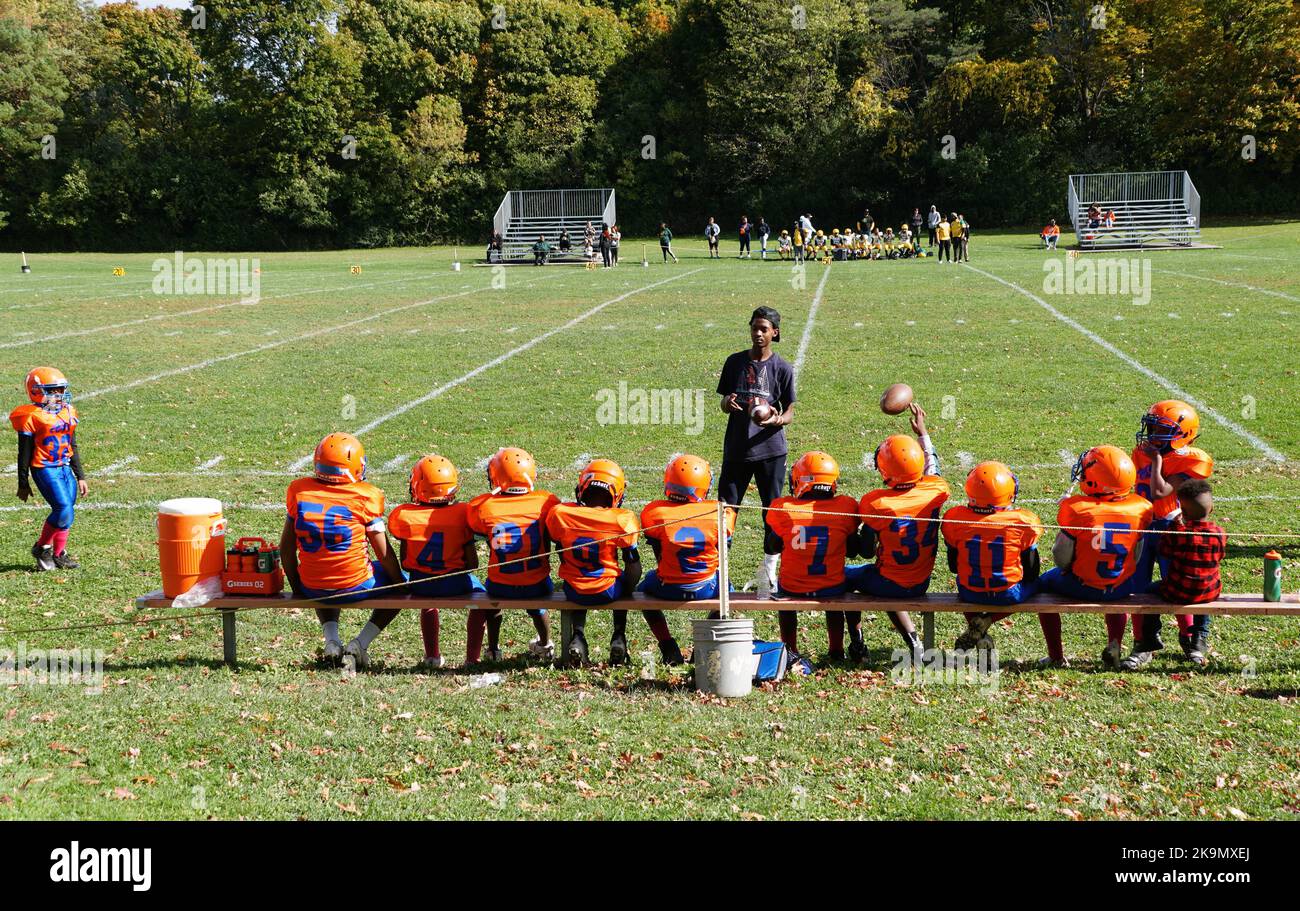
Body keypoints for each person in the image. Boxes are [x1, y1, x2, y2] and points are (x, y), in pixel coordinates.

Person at [548, 459, 685, 666]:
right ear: (617, 493)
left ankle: (578, 635)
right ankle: (619, 635)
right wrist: (628, 589)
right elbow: (633, 566)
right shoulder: (621, 519)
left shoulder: (561, 514)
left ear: (583, 487)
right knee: (621, 579)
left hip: (573, 590)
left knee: (579, 578)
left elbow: (560, 550)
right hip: (608, 590)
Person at [281, 433, 404, 663]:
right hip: (355, 584)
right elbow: (384, 554)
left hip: (312, 585)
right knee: (399, 583)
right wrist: (401, 583)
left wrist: (298, 587)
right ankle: (360, 643)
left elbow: (286, 550)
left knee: (323, 572)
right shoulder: (365, 496)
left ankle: (332, 641)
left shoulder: (300, 491)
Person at [1038, 446, 1153, 670]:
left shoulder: (1077, 509)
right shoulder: (1141, 508)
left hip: (1082, 585)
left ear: (1096, 481)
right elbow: (1137, 556)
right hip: (1120, 587)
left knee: (1043, 587)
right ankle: (1115, 644)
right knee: (1117, 592)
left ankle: (1056, 655)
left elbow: (1061, 558)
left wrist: (1070, 569)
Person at [1125, 400, 1214, 670]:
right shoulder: (1143, 452)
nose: (1152, 435)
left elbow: (1160, 492)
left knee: (1179, 582)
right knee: (1137, 588)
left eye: (1159, 429)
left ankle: (1190, 638)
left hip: (1171, 527)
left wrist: (1157, 462)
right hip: (1142, 526)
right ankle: (1143, 643)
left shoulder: (1191, 460)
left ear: (1182, 434)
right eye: (1151, 427)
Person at [717, 307, 796, 603]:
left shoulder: (783, 368)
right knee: (726, 510)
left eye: (764, 328)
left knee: (772, 513)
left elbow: (789, 411)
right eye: (754, 327)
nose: (758, 333)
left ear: (775, 332)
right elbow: (724, 401)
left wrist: (776, 420)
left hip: (770, 450)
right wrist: (728, 403)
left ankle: (769, 573)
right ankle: (720, 571)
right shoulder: (734, 362)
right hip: (737, 447)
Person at [856, 403, 946, 662]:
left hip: (890, 581)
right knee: (886, 582)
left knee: (848, 580)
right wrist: (923, 434)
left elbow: (864, 552)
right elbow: (933, 467)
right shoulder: (935, 491)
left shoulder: (876, 503)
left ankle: (856, 643)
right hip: (921, 581)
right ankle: (914, 641)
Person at [386, 456, 486, 670]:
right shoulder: (463, 514)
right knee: (481, 600)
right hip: (456, 584)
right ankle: (472, 658)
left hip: (421, 585)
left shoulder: (405, 516)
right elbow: (472, 564)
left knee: (428, 602)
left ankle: (432, 655)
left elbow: (406, 563)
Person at [766, 451, 866, 662]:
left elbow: (772, 546)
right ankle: (836, 650)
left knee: (785, 603)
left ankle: (790, 649)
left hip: (793, 586)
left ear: (800, 481)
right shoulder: (845, 507)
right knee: (836, 596)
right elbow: (852, 550)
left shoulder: (783, 507)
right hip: (831, 586)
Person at [465, 447, 558, 663]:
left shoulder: (483, 507)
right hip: (538, 584)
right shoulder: (547, 502)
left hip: (500, 584)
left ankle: (494, 649)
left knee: (492, 602)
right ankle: (545, 644)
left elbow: (478, 532)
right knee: (538, 605)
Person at [942, 462, 1044, 653]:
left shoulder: (955, 518)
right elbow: (1031, 572)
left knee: (962, 580)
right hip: (1007, 593)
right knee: (1039, 584)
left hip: (969, 592)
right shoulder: (1022, 521)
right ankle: (988, 620)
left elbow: (953, 566)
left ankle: (977, 627)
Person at [13, 367, 86, 571]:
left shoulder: (68, 411)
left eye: (61, 390)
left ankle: (58, 553)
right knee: (62, 508)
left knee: (68, 511)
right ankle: (42, 547)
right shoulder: (31, 416)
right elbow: (24, 453)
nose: (59, 395)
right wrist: (23, 481)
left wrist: (80, 475)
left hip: (64, 467)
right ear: (36, 391)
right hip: (45, 467)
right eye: (52, 391)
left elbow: (72, 445)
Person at [1152, 479, 1225, 668]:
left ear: (1182, 512)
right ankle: (1200, 634)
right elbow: (1221, 555)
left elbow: (1164, 551)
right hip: (1209, 591)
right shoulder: (1219, 532)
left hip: (1176, 590)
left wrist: (1175, 525)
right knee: (1203, 594)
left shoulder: (1178, 532)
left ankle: (1150, 633)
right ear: (1212, 509)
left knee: (1146, 591)